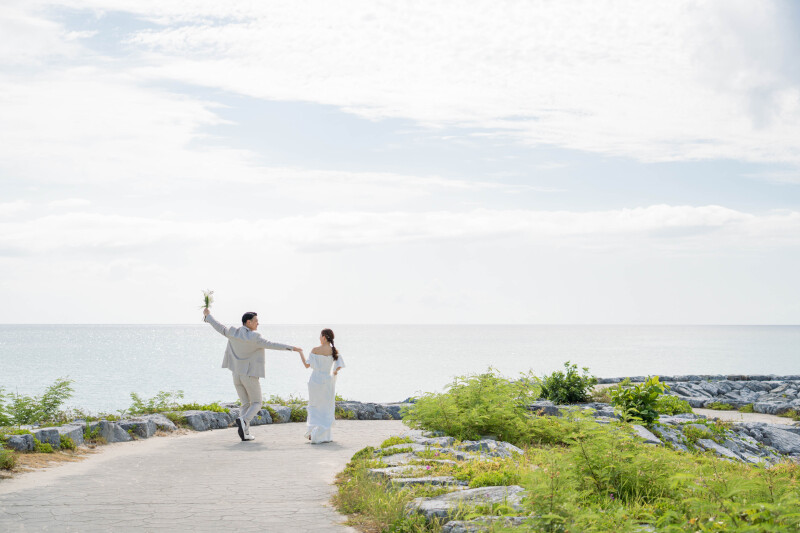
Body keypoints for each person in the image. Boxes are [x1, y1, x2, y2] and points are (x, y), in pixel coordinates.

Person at [203, 308, 304, 442]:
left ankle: (245, 433)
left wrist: (208, 316)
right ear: (248, 322)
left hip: (236, 375)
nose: (258, 323)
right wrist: (292, 348)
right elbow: (272, 344)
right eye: (256, 321)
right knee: (257, 402)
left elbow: (218, 326)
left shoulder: (232, 332)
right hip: (249, 375)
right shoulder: (255, 337)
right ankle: (244, 420)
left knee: (245, 404)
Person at [299, 328, 345, 444]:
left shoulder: (315, 349)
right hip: (327, 380)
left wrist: (300, 353)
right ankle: (324, 435)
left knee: (314, 406)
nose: (319, 338)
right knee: (326, 407)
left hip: (315, 380)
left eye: (320, 336)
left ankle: (313, 432)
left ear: (324, 337)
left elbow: (306, 365)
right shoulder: (334, 351)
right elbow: (339, 365)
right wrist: (334, 372)